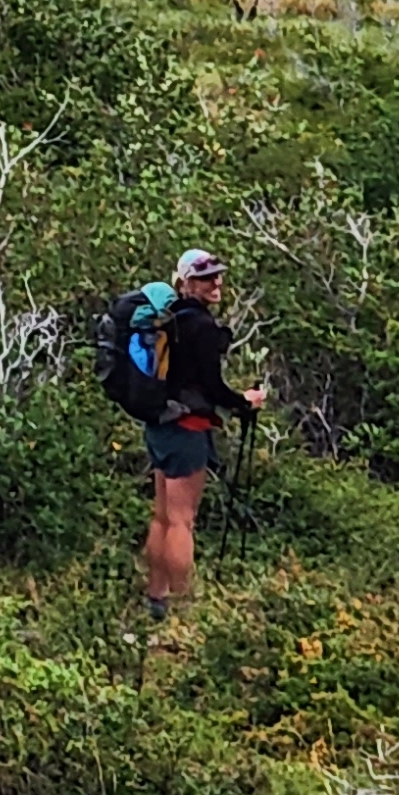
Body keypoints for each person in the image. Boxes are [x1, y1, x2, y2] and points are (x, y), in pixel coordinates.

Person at [140, 247, 252, 619]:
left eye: (218, 276)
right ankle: (184, 607)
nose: (216, 283)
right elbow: (213, 387)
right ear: (187, 282)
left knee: (163, 516)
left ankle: (155, 596)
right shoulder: (201, 326)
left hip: (159, 424)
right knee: (182, 520)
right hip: (186, 428)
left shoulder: (170, 321)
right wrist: (245, 401)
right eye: (206, 278)